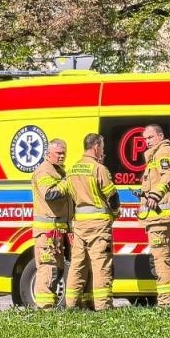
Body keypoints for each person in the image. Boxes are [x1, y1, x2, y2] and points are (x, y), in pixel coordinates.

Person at [64, 132, 120, 311]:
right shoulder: (99, 169)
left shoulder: (72, 169)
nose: (103, 151)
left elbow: (70, 198)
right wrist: (116, 212)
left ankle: (71, 304)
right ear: (96, 147)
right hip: (99, 225)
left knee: (77, 265)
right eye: (102, 147)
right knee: (101, 265)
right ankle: (103, 307)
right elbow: (112, 197)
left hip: (80, 225)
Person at [138, 124, 170, 307]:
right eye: (145, 139)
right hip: (168, 218)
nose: (147, 142)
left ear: (160, 135)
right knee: (168, 259)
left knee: (161, 260)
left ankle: (166, 305)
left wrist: (154, 194)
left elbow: (168, 175)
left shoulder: (163, 152)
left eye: (150, 138)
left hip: (161, 218)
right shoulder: (159, 154)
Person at [29, 139, 73, 309]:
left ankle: (50, 303)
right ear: (48, 154)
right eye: (58, 153)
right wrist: (66, 182)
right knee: (48, 268)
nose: (62, 156)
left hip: (58, 230)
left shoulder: (59, 171)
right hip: (47, 231)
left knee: (58, 269)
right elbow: (50, 194)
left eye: (64, 153)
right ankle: (44, 307)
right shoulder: (44, 172)